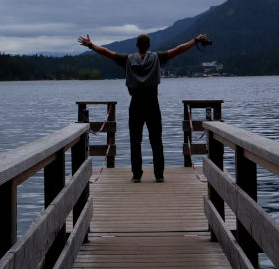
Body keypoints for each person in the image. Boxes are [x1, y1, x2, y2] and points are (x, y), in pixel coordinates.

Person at [77, 32, 209, 182]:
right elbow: (178, 49)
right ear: (149, 45)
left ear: (136, 45)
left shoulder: (127, 59)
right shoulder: (156, 58)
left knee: (135, 141)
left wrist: (90, 45)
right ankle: (159, 175)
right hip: (152, 103)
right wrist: (195, 40)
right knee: (156, 141)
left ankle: (136, 175)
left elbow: (106, 53)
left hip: (136, 103)